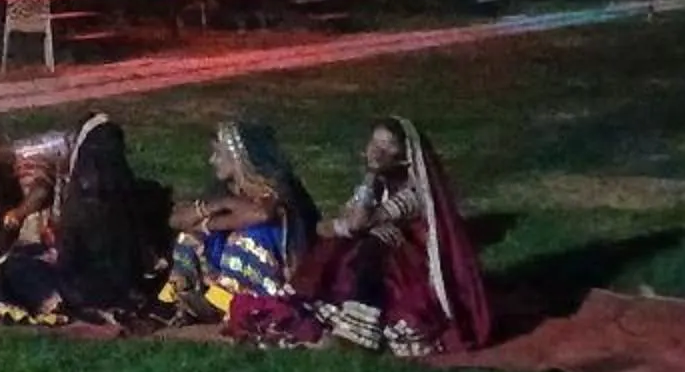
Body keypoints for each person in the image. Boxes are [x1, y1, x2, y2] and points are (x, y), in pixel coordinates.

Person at [293, 117, 494, 356]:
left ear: (404, 156)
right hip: (378, 258)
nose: (377, 151)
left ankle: (359, 334)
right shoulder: (377, 185)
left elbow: (357, 222)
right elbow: (332, 226)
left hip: (410, 270)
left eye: (388, 146)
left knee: (375, 242)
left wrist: (368, 179)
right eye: (375, 142)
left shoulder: (414, 192)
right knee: (340, 245)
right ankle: (333, 316)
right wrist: (342, 225)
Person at [0, 113, 154, 326]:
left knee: (15, 265)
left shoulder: (25, 159)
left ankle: (60, 302)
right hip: (121, 272)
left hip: (89, 157)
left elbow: (40, 191)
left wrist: (17, 214)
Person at [158, 118, 319, 323]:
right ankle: (180, 300)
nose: (212, 160)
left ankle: (227, 304)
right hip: (230, 264)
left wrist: (215, 215)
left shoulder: (279, 185)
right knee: (189, 237)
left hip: (285, 271)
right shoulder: (224, 186)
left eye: (218, 154)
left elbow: (261, 214)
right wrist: (208, 212)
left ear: (238, 157)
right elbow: (176, 220)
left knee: (246, 236)